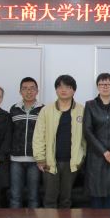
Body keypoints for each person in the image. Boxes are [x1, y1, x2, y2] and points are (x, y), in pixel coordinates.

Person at [33, 75, 85, 209]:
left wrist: (82, 157)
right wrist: (40, 158)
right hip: (50, 162)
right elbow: (39, 135)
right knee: (50, 200)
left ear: (74, 90)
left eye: (68, 87)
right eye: (60, 87)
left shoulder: (82, 110)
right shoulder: (46, 110)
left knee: (66, 200)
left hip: (72, 163)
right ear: (56, 90)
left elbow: (86, 137)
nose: (63, 90)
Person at [83, 73, 110, 208]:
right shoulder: (90, 105)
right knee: (96, 195)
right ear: (97, 86)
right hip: (96, 156)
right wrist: (104, 152)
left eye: (108, 84)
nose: (105, 87)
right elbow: (87, 131)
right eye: (102, 84)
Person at [9, 77, 44, 208]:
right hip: (16, 160)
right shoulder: (14, 109)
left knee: (33, 197)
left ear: (37, 91)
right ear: (20, 91)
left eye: (32, 88)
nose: (29, 91)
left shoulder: (43, 109)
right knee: (15, 196)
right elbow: (9, 133)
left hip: (35, 160)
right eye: (25, 89)